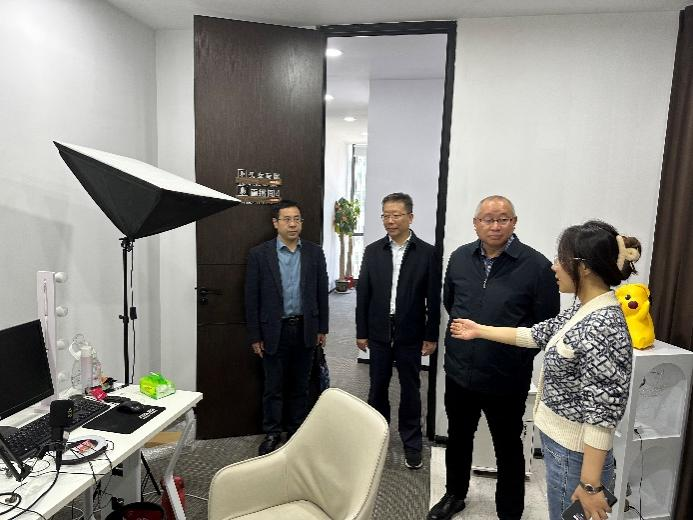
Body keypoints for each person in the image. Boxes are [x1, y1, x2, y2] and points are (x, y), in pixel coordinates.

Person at [448, 220, 640, 520]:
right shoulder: (582, 310)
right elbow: (535, 334)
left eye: (561, 260)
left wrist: (590, 485)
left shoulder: (602, 325)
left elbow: (602, 414)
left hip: (576, 458)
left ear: (583, 267)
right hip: (561, 448)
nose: (554, 267)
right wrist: (479, 330)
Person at [428, 195, 560, 520]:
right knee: (459, 438)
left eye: (503, 219)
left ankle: (510, 511)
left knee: (508, 446)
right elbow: (450, 303)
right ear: (476, 224)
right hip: (460, 371)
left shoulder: (537, 266)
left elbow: (545, 325)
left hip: (506, 378)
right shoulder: (460, 258)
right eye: (488, 219)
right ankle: (455, 494)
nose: (495, 226)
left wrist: (515, 357)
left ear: (514, 222)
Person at [356, 192, 441, 470]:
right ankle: (376, 439)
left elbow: (433, 298)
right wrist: (361, 331)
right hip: (379, 331)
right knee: (377, 387)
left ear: (410, 217)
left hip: (411, 332)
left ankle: (412, 442)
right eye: (385, 215)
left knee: (410, 389)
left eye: (396, 215)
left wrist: (430, 335)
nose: (390, 221)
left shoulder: (426, 253)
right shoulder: (373, 251)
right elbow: (363, 295)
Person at [245, 200, 329, 455]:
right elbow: (251, 298)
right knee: (273, 386)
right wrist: (255, 336)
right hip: (274, 331)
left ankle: (295, 430)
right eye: (287, 219)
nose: (293, 224)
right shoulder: (259, 254)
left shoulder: (314, 253)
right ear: (276, 223)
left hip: (305, 328)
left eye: (297, 219)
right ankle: (272, 432)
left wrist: (322, 328)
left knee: (301, 385)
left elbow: (321, 293)